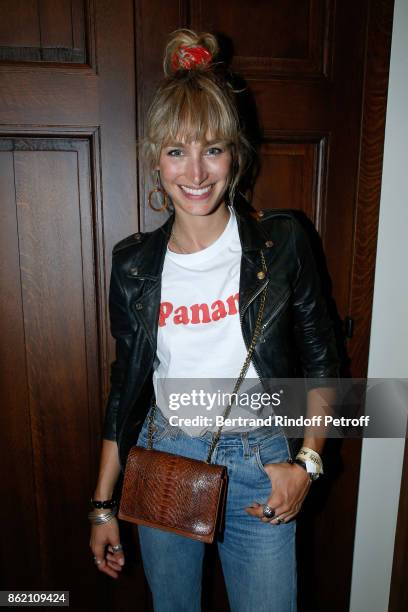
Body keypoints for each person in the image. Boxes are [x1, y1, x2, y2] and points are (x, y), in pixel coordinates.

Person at [89, 28, 339, 612]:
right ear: (157, 158)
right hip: (167, 458)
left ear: (236, 153)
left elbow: (324, 362)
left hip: (261, 463)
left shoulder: (283, 243)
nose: (196, 171)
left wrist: (307, 461)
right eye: (177, 150)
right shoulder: (133, 266)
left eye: (213, 148)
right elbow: (124, 389)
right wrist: (102, 504)